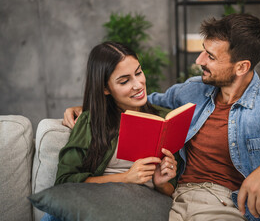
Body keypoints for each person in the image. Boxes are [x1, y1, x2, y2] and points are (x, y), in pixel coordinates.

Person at [63, 14, 260, 221]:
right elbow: (140, 103)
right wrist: (87, 107)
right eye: (202, 51)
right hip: (172, 197)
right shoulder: (193, 90)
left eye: (210, 57)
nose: (198, 61)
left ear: (242, 67)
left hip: (225, 204)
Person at [43, 41, 178, 221]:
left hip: (143, 206)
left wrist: (161, 184)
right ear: (106, 88)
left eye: (138, 72)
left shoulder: (166, 120)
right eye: (124, 81)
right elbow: (64, 182)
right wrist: (126, 177)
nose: (138, 85)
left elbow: (172, 191)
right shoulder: (91, 121)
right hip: (97, 202)